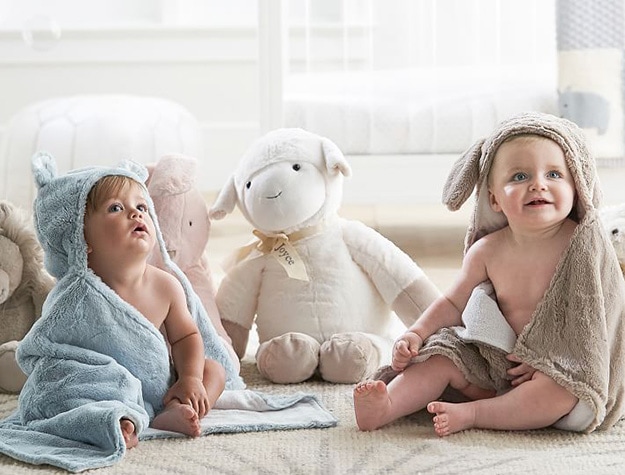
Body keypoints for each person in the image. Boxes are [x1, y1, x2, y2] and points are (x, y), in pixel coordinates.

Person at [354, 132, 581, 436]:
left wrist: (551, 357)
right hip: (495, 361)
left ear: (577, 187)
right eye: (520, 175)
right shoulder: (487, 250)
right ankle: (387, 406)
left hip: (554, 364)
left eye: (554, 174)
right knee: (440, 354)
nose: (538, 184)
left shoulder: (580, 245)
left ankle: (475, 414)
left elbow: (594, 315)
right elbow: (453, 303)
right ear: (494, 199)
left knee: (559, 391)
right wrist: (417, 333)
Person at [83, 174, 226, 447]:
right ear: (84, 239)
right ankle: (118, 421)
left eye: (142, 207)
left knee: (215, 371)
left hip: (161, 383)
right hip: (109, 384)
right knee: (82, 392)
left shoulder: (165, 285)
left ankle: (177, 407)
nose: (135, 213)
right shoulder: (83, 292)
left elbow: (186, 337)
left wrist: (190, 378)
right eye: (116, 208)